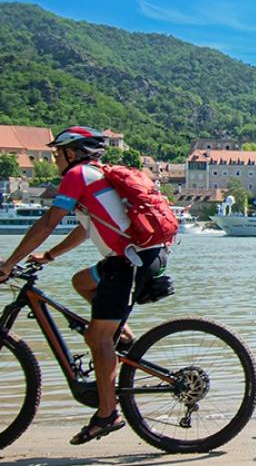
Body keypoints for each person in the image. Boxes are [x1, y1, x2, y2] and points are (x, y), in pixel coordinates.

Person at [0, 126, 167, 444]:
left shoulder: (77, 176)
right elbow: (86, 228)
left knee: (97, 337)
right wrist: (49, 255)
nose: (54, 160)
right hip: (132, 258)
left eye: (56, 154)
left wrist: (9, 263)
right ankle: (123, 339)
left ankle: (108, 414)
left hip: (128, 263)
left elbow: (48, 222)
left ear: (71, 153)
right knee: (81, 282)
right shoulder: (95, 176)